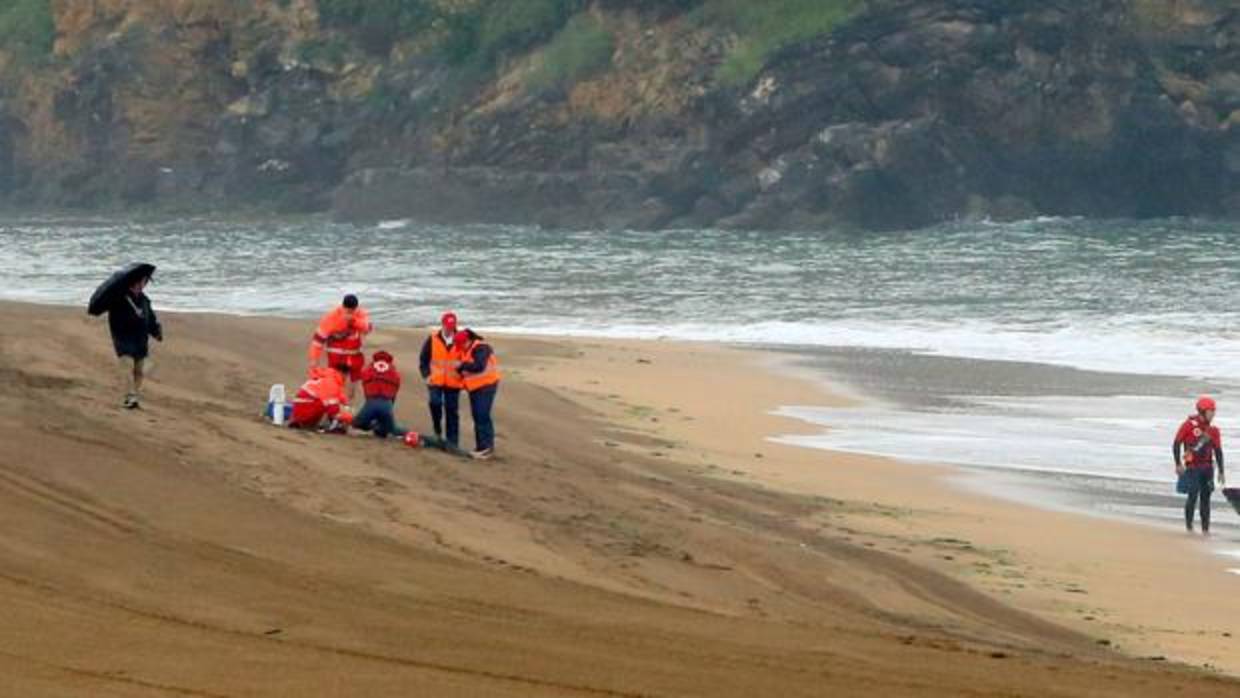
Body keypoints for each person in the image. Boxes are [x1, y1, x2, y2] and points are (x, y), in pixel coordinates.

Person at [107, 273, 162, 409]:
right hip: (123, 338)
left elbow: (151, 320)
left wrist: (156, 332)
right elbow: (114, 320)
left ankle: (133, 397)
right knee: (127, 365)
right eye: (139, 281)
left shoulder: (145, 300)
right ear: (131, 282)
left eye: (144, 282)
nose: (141, 285)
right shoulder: (119, 299)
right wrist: (133, 317)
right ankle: (130, 395)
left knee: (139, 370)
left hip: (140, 339)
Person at [1174, 396, 1225, 534]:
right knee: (1193, 496)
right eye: (1211, 411)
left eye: (1214, 411)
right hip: (1193, 468)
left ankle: (1205, 530)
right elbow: (1176, 443)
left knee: (1206, 499)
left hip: (1208, 468)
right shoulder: (1189, 425)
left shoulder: (1213, 430)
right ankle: (1189, 528)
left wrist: (1221, 471)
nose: (1213, 414)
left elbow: (1218, 451)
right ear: (1202, 411)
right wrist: (1178, 464)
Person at [309, 294, 373, 403]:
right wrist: (314, 360)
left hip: (355, 356)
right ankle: (336, 405)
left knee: (353, 384)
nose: (350, 314)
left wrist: (353, 320)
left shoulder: (359, 313)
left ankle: (347, 405)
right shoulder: (331, 317)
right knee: (337, 383)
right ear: (343, 307)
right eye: (348, 311)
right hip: (337, 357)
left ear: (356, 308)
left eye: (353, 311)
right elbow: (318, 340)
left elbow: (367, 328)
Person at [455, 329, 501, 460]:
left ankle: (486, 448)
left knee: (482, 416)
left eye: (461, 344)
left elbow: (479, 366)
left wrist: (462, 365)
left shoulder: (481, 348)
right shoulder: (466, 349)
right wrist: (460, 368)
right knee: (478, 417)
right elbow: (465, 368)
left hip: (487, 386)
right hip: (474, 387)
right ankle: (481, 447)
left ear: (468, 340)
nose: (460, 348)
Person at [419, 312, 463, 448]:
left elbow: (466, 359)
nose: (450, 329)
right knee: (435, 403)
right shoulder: (432, 339)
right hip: (435, 380)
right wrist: (426, 376)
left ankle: (452, 441)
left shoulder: (461, 339)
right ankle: (437, 429)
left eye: (453, 326)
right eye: (448, 326)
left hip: (454, 382)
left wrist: (463, 375)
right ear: (442, 325)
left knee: (452, 411)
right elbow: (423, 360)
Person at [353, 350, 407, 439]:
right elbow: (393, 395)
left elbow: (366, 390)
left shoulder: (368, 370)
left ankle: (376, 426)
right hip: (387, 404)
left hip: (371, 402)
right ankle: (419, 436)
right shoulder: (395, 373)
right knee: (391, 429)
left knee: (357, 423)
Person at [289, 366, 352, 432]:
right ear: (343, 374)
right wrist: (347, 417)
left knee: (327, 404)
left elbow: (339, 397)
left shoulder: (326, 377)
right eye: (346, 376)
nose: (346, 379)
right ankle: (330, 426)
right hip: (307, 408)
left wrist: (344, 404)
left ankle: (303, 423)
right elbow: (332, 409)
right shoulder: (332, 383)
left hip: (300, 406)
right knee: (331, 408)